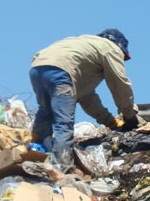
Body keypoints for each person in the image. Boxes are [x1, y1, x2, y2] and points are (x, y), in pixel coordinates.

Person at [29, 29, 141, 165]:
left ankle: (35, 152)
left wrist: (109, 121)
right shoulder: (111, 48)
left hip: (38, 67)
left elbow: (87, 98)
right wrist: (129, 115)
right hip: (61, 72)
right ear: (120, 46)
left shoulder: (85, 46)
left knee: (46, 111)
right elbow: (119, 83)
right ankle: (61, 165)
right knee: (63, 123)